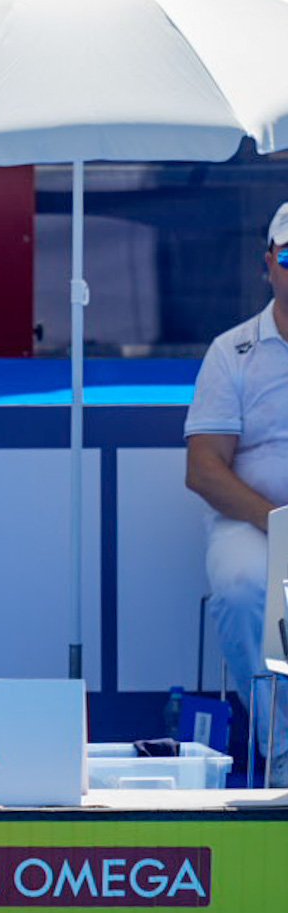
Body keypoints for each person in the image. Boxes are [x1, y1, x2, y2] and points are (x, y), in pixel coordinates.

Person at [185, 200, 288, 787]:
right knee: (246, 586)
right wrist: (280, 522)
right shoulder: (233, 351)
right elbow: (204, 470)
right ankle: (282, 749)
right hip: (253, 520)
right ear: (267, 264)